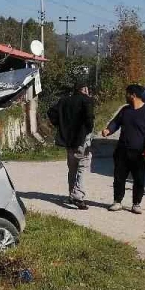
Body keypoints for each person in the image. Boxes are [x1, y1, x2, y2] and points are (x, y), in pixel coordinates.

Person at [101, 83, 145, 214]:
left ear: (133, 95)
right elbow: (115, 122)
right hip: (122, 151)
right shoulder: (125, 110)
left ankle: (136, 204)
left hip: (140, 153)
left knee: (139, 179)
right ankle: (117, 201)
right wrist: (108, 130)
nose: (125, 96)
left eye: (127, 94)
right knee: (119, 177)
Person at [47, 81, 96, 209]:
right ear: (84, 89)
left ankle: (71, 194)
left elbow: (51, 112)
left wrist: (60, 125)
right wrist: (88, 129)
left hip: (68, 140)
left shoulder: (64, 101)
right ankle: (78, 196)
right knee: (82, 166)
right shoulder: (86, 100)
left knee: (72, 168)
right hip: (82, 139)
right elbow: (89, 118)